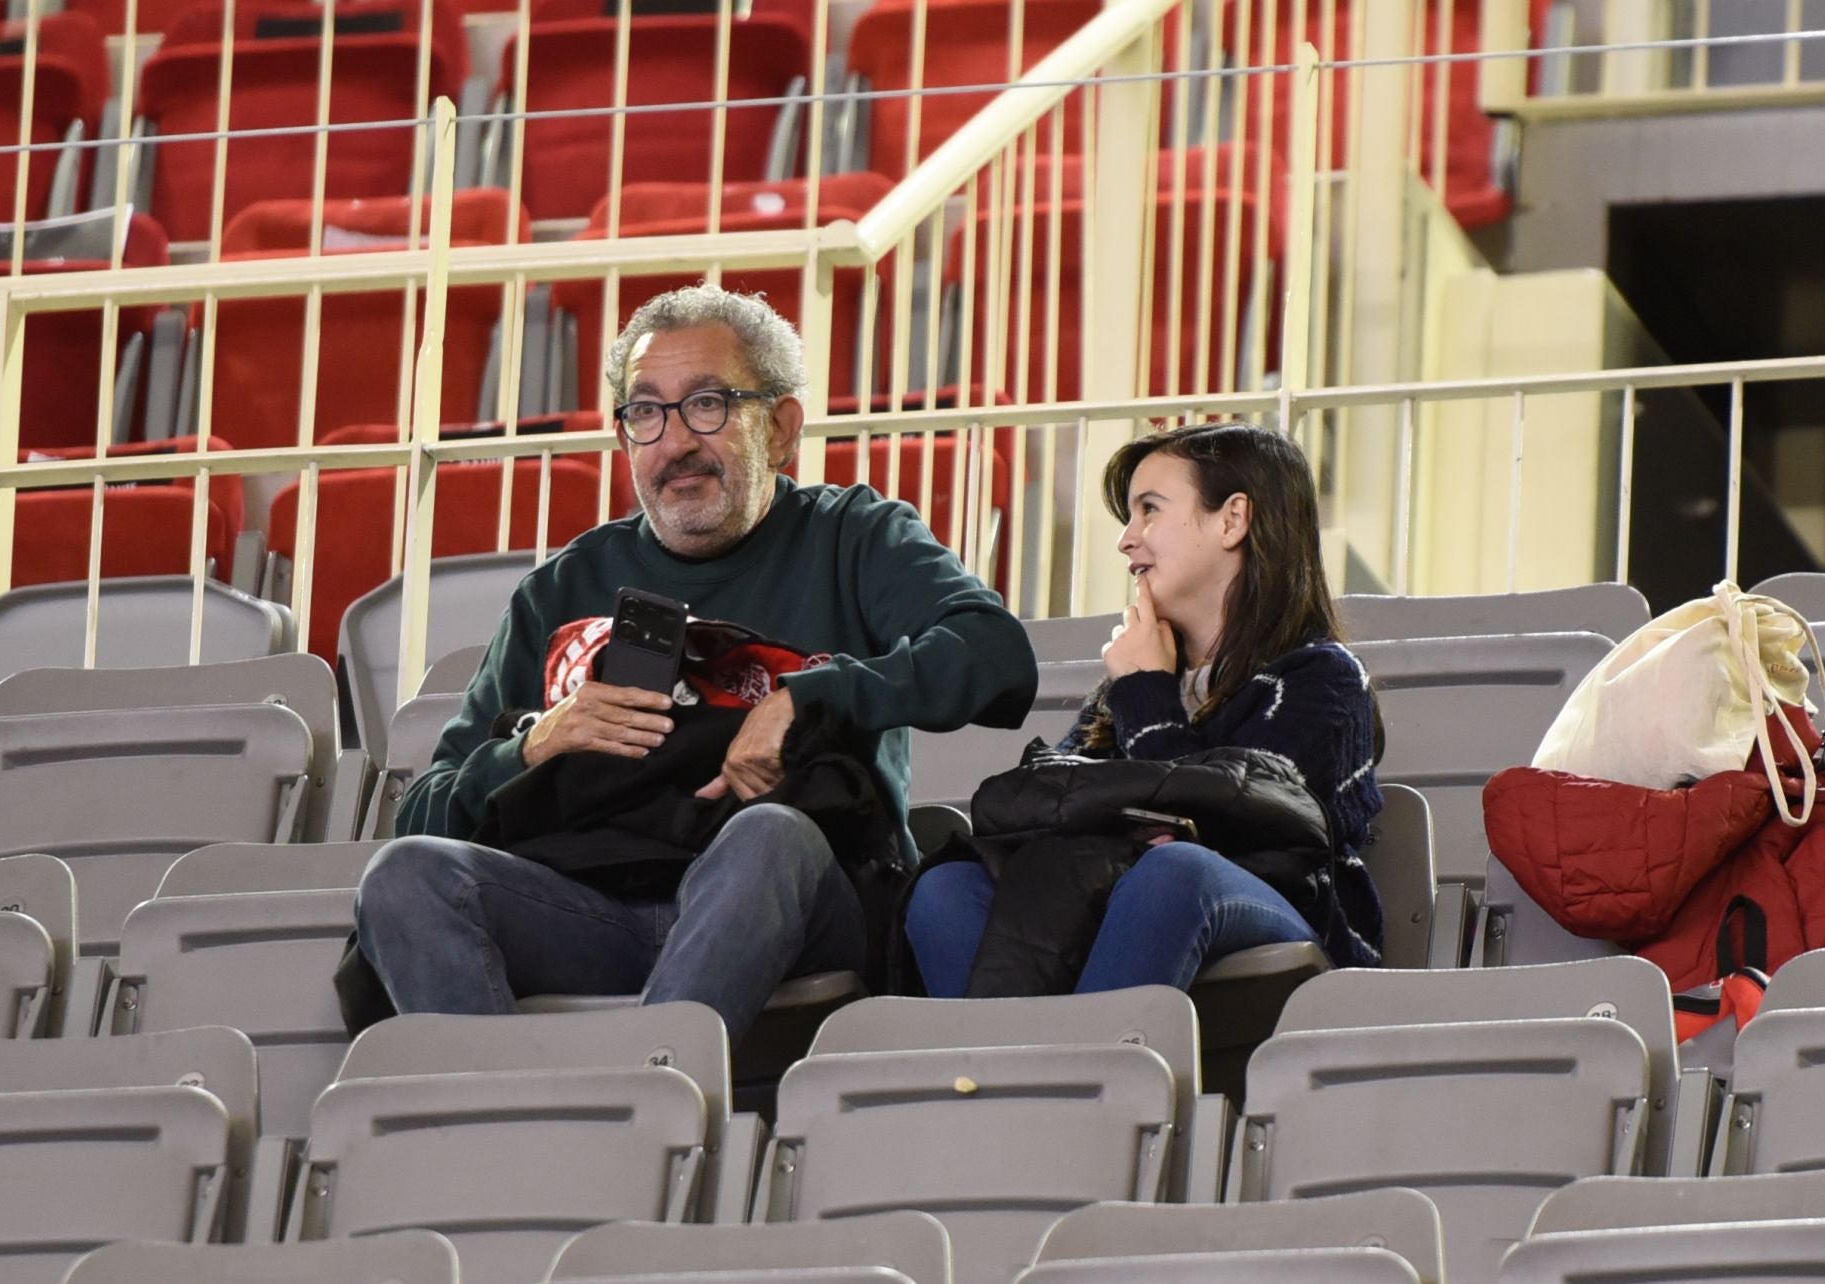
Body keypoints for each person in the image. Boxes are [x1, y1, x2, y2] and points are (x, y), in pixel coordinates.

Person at [352, 284, 1038, 1036]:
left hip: (803, 908)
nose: (675, 442)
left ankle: (646, 1112)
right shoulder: (563, 587)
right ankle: (507, 1129)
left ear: (779, 429)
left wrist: (808, 700)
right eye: (646, 413)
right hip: (596, 915)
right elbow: (423, 812)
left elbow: (995, 653)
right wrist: (535, 745)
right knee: (406, 876)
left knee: (769, 833)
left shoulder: (854, 537)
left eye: (707, 404)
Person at [905, 421, 1385, 994]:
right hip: (1112, 896)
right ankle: (995, 1078)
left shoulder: (1319, 677)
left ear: (1232, 519)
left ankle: (1087, 1078)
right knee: (947, 887)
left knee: (1176, 872)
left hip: (1290, 917)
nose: (1127, 540)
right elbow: (1057, 808)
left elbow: (1240, 830)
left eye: (1149, 509)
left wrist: (1145, 693)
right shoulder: (1131, 684)